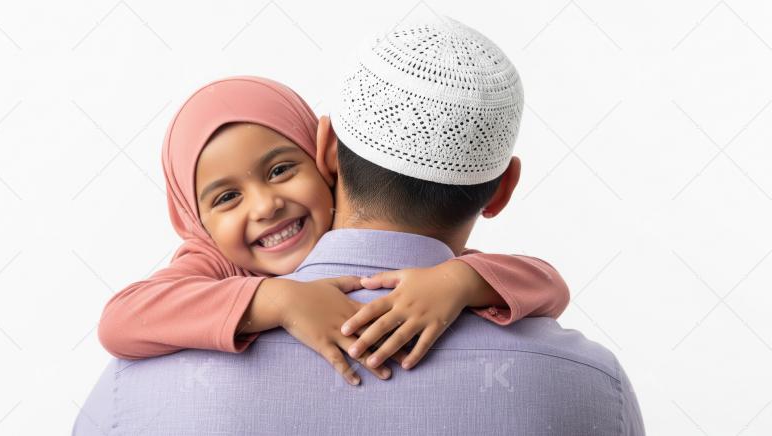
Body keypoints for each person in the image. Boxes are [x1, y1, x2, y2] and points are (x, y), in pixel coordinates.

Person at [75, 17, 643, 435]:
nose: (267, 206)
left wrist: (460, 282)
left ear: (322, 150)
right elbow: (121, 316)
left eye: (279, 170)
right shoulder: (591, 384)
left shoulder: (132, 389)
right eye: (226, 197)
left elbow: (543, 282)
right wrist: (277, 302)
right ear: (503, 188)